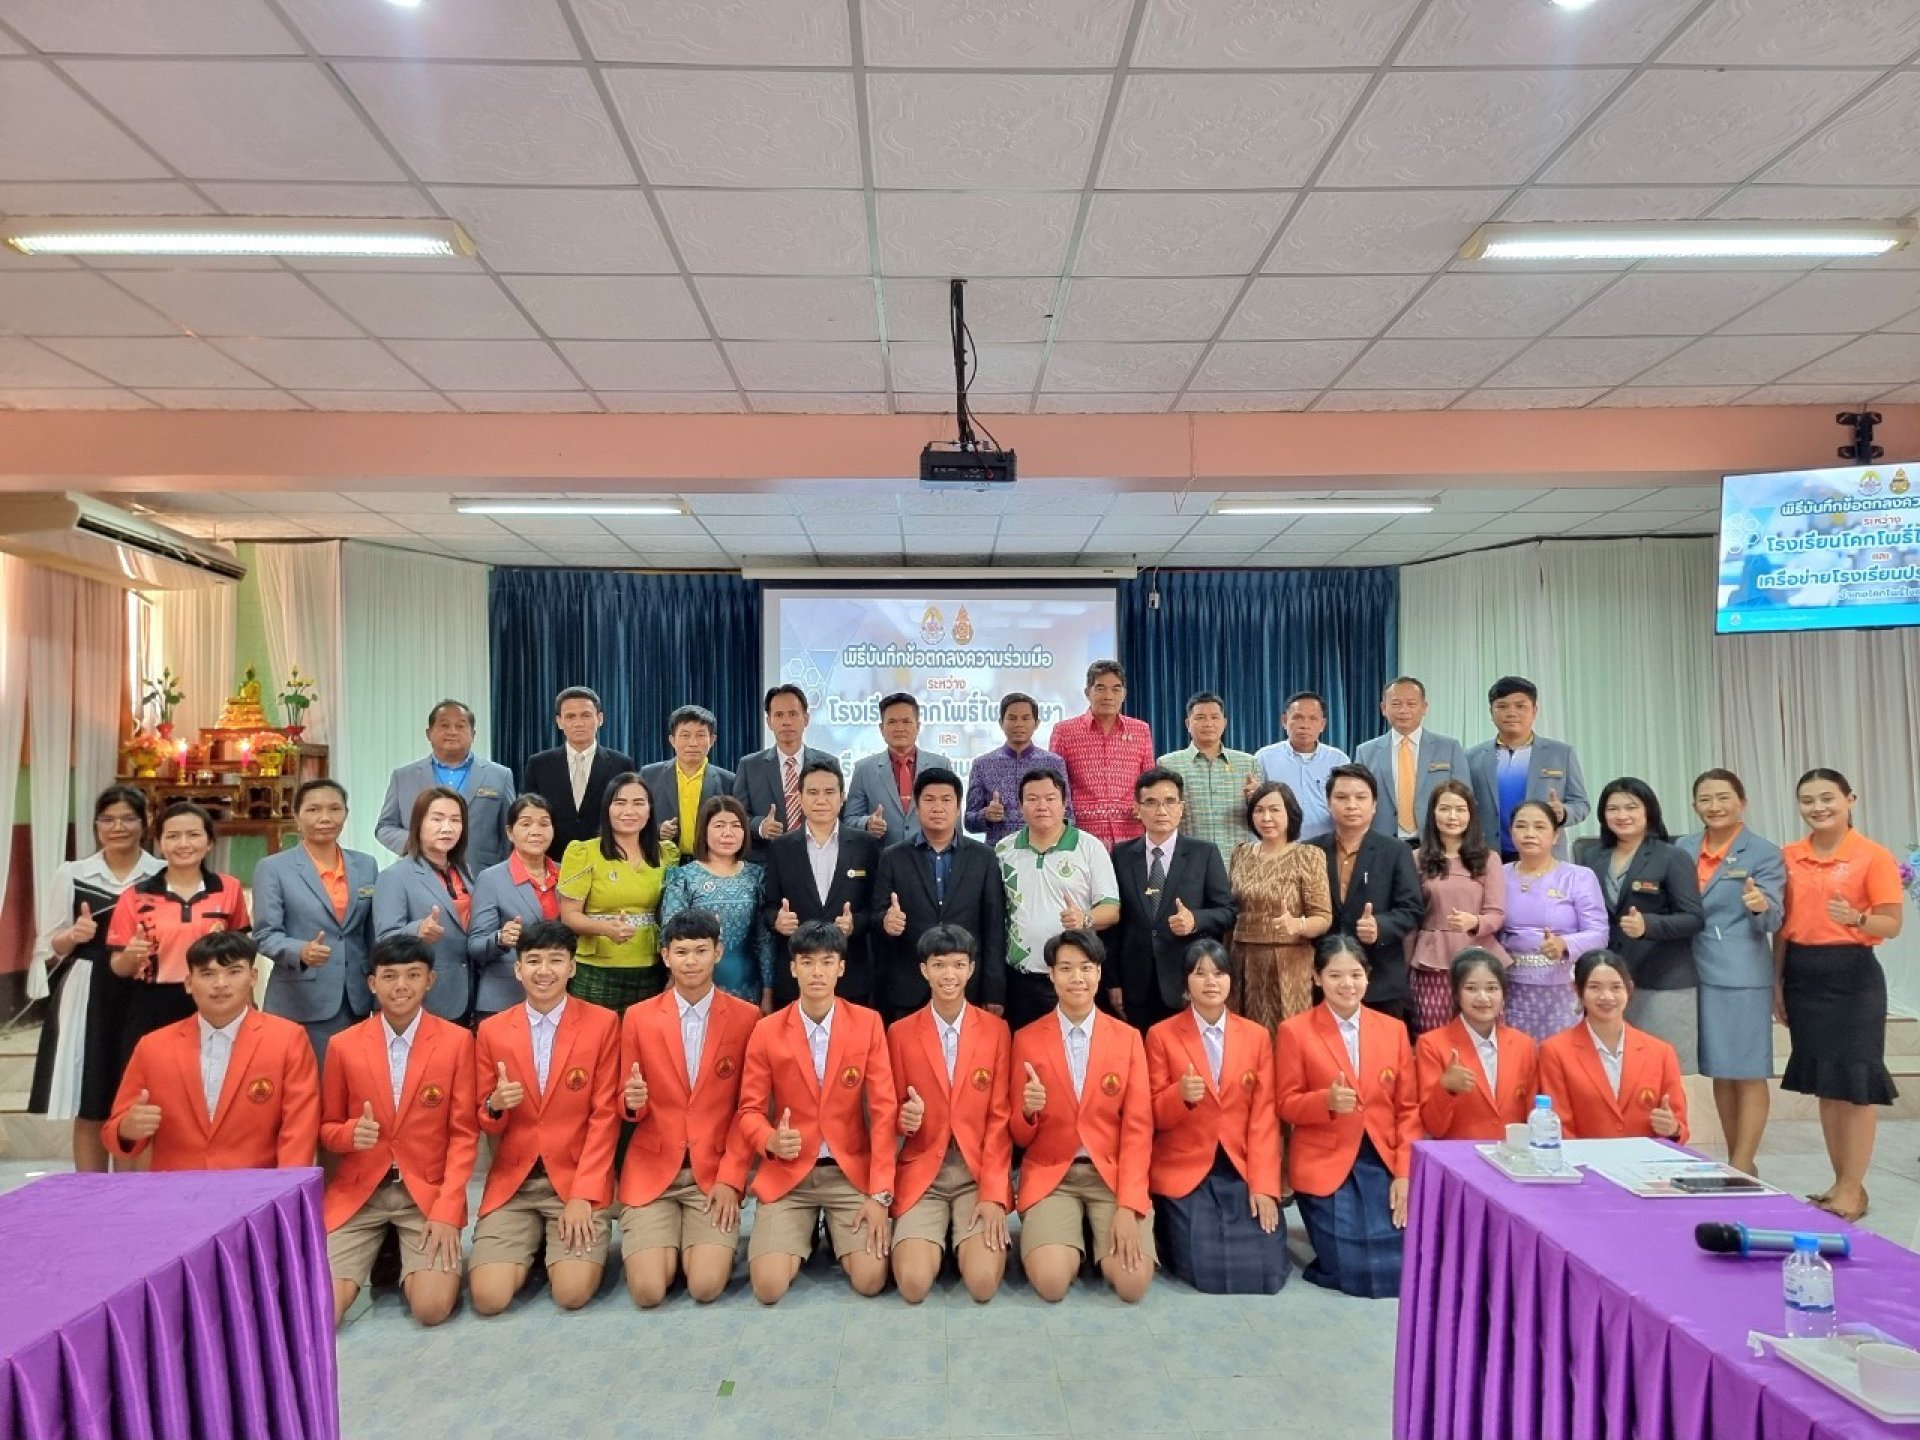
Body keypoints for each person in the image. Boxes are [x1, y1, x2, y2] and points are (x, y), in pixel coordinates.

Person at [736, 920, 898, 1305]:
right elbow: (749, 1110)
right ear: (793, 968)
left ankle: (833, 1231)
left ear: (841, 967)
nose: (817, 972)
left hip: (847, 1172)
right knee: (768, 1287)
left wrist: (880, 1195)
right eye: (807, 962)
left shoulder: (868, 1024)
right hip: (789, 1173)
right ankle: (803, 1231)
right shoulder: (767, 1030)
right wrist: (770, 1140)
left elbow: (884, 1112)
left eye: (827, 962)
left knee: (871, 1280)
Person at [322, 934, 479, 1328]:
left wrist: (447, 1209)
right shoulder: (343, 1045)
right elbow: (326, 1128)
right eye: (389, 976)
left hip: (425, 1193)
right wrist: (349, 1135)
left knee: (431, 1309)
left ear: (430, 980)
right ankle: (381, 1251)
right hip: (360, 1193)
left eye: (413, 975)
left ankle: (404, 1258)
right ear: (372, 983)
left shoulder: (457, 1041)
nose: (401, 986)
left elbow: (464, 1135)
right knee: (320, 1314)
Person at [468, 921, 621, 1316]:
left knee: (572, 1294)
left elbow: (605, 1117)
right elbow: (483, 1118)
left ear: (572, 967)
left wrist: (584, 1194)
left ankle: (558, 1244)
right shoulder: (492, 1031)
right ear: (518, 969)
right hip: (515, 1182)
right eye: (533, 961)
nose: (544, 971)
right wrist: (495, 1105)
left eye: (556, 960)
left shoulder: (603, 1023)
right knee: (488, 1299)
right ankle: (531, 1243)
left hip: (575, 1179)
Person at [1775, 767, 1904, 1223]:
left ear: (1850, 799)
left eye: (1827, 798)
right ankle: (1841, 1182)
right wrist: (1777, 983)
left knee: (1855, 1085)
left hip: (1852, 978)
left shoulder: (1873, 856)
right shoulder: (1789, 856)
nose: (1818, 808)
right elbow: (1781, 928)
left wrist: (1857, 918)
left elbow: (1892, 923)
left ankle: (1854, 1186)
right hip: (1802, 975)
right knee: (1827, 1085)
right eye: (1808, 800)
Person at [617, 908, 758, 1307]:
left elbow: (748, 1109)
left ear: (718, 952)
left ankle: (693, 1243)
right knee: (648, 1292)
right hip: (652, 1170)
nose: (691, 961)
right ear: (665, 956)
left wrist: (731, 1179)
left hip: (713, 1173)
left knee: (705, 1287)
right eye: (681, 952)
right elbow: (625, 1100)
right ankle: (664, 1242)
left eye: (700, 951)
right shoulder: (638, 1018)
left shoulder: (747, 1018)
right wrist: (631, 1103)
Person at [1009, 929, 1156, 1304]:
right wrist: (1027, 1111)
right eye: (1066, 968)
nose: (1077, 977)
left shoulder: (1127, 1038)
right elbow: (1019, 1136)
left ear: (1099, 973)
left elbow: (1138, 1130)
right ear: (1051, 975)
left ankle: (1095, 1236)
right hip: (1051, 1175)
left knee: (1132, 1285)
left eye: (1086, 968)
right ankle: (1074, 1238)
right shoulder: (1026, 1039)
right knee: (1051, 1284)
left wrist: (1129, 1205)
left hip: (1111, 1175)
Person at [27, 785, 162, 1172]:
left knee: (137, 1095)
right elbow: (50, 944)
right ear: (96, 825)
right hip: (87, 988)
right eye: (108, 819)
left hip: (145, 987)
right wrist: (73, 935)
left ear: (145, 822)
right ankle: (90, 1192)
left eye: (128, 818)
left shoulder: (160, 872)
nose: (117, 827)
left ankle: (131, 1195)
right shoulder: (73, 873)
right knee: (90, 1098)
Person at [103, 931, 319, 1171]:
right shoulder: (152, 1047)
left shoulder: (288, 1039)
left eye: (234, 972)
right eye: (207, 974)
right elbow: (113, 1132)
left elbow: (299, 1130)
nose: (220, 984)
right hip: (177, 1187)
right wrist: (126, 1130)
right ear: (188, 983)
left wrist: (283, 1188)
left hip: (256, 1187)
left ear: (253, 977)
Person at [1274, 936, 1416, 1299]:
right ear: (1317, 978)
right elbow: (1285, 1104)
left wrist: (1404, 1173)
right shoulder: (1295, 1031)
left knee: (1400, 1266)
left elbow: (1408, 1109)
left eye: (1355, 974)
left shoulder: (1394, 1030)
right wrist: (1325, 1101)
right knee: (1353, 1267)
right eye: (1335, 975)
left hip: (1380, 1157)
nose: (1347, 984)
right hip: (1325, 1159)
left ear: (1368, 976)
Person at [1146, 939, 1286, 1294]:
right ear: (1185, 982)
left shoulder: (1255, 1036)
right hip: (1186, 1164)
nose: (1211, 981)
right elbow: (1152, 1116)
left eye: (1219, 973)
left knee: (1267, 1267)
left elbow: (1264, 1118)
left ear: (1230, 980)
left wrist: (1264, 1185)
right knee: (1203, 1266)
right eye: (1200, 973)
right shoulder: (1161, 1035)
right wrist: (1179, 1097)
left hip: (1239, 1164)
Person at [886, 925, 1015, 1304]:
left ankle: (959, 1238)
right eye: (939, 964)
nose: (949, 975)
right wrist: (904, 1119)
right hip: (923, 1169)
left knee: (983, 1284)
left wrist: (994, 1192)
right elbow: (889, 1112)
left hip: (976, 1171)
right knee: (912, 1286)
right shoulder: (899, 1033)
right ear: (923, 970)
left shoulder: (996, 1031)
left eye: (959, 965)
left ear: (971, 969)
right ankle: (934, 1238)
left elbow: (1000, 1119)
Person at [1677, 769, 1785, 1177]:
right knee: (1721, 1070)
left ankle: (1742, 1162)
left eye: (1724, 797)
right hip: (1691, 968)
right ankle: (1737, 1158)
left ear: (1743, 802)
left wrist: (1760, 905)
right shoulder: (1683, 847)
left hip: (1740, 973)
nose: (1715, 806)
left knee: (1748, 1070)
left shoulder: (1763, 852)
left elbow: (1774, 917)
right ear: (1694, 806)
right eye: (1705, 799)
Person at [105, 801, 250, 1075]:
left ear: (209, 843)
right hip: (153, 1004)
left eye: (193, 835)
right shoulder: (135, 896)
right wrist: (130, 956)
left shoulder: (228, 889)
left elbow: (240, 953)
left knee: (215, 1078)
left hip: (215, 999)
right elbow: (117, 967)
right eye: (173, 836)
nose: (183, 844)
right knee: (156, 1080)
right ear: (159, 843)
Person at [1573, 778, 1705, 1074]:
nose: (1622, 815)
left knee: (1666, 1070)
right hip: (1609, 982)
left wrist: (1649, 925)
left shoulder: (1672, 856)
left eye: (1631, 807)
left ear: (1649, 811)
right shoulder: (1591, 858)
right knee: (1616, 1070)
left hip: (1663, 980)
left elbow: (1694, 918)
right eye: (1613, 808)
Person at [253, 779, 380, 1067]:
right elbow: (265, 934)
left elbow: (372, 936)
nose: (325, 818)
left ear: (346, 814)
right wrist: (301, 951)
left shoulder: (366, 865)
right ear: (297, 816)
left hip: (355, 999)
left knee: (351, 1082)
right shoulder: (273, 868)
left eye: (334, 809)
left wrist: (378, 995)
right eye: (313, 809)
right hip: (300, 998)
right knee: (303, 1084)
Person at [870, 768, 1007, 1022]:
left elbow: (994, 927)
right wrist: (885, 922)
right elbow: (875, 915)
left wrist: (994, 990)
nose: (938, 808)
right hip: (907, 985)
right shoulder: (892, 857)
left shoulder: (984, 857)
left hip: (967, 985)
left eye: (946, 800)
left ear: (958, 808)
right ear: (916, 806)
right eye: (929, 800)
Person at [1108, 767, 1236, 1031]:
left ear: (1181, 807)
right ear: (1137, 809)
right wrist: (1113, 981)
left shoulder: (1204, 853)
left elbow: (1227, 911)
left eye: (1169, 801)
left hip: (1185, 978)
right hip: (1136, 982)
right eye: (1151, 802)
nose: (1161, 810)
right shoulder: (1121, 855)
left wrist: (1195, 920)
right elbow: (1114, 926)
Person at [995, 767, 1120, 1031]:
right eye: (1032, 799)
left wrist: (1085, 919)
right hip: (1021, 978)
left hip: (1074, 979)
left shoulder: (1089, 847)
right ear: (1020, 805)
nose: (1042, 806)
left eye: (1050, 798)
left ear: (1065, 803)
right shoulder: (1004, 850)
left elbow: (1112, 910)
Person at [1308, 765, 1422, 1027]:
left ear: (1374, 805)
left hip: (1379, 978)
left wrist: (1380, 926)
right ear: (1328, 803)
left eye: (1360, 797)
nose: (1351, 805)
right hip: (1323, 979)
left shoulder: (1396, 850)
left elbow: (1412, 909)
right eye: (1341, 797)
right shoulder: (1310, 850)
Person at [757, 759, 876, 1008]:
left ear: (842, 797)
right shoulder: (781, 847)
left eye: (829, 792)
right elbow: (769, 907)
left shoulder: (865, 845)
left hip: (850, 975)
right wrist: (777, 920)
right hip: (796, 976)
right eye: (812, 792)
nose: (821, 799)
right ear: (799, 798)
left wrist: (855, 923)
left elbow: (875, 909)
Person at [1538, 950, 1689, 1143]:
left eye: (1616, 987)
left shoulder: (1661, 1052)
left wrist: (1672, 1129)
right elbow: (1560, 1127)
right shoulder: (1555, 1051)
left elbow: (1680, 1127)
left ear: (1629, 989)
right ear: (1578, 991)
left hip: (1646, 1160)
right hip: (1585, 1159)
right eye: (1595, 987)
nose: (1607, 996)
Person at [558, 773, 678, 1016]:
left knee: (643, 1039)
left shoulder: (666, 854)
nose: (629, 811)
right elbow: (569, 916)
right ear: (607, 809)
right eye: (620, 802)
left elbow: (670, 912)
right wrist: (606, 929)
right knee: (595, 1038)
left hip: (651, 968)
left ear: (650, 810)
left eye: (638, 803)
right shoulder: (583, 852)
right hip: (595, 970)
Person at [1497, 799, 1609, 1042]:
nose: (1529, 834)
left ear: (1555, 835)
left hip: (1561, 987)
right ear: (1511, 833)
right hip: (1509, 988)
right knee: (1516, 1056)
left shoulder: (1578, 876)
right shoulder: (1498, 874)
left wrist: (1564, 944)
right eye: (1521, 826)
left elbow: (1599, 933)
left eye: (1539, 826)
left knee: (1559, 1056)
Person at [1228, 781, 1333, 1033]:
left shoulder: (1308, 855)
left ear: (1290, 814)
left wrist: (1298, 924)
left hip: (1289, 962)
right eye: (1259, 810)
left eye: (1275, 810)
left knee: (1288, 1036)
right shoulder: (1240, 853)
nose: (1266, 818)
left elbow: (1323, 917)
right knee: (1243, 1036)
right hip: (1241, 958)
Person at [1406, 781, 1509, 1037]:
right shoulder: (1416, 858)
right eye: (1445, 809)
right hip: (1431, 961)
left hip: (1478, 956)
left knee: (1482, 1035)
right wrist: (1405, 965)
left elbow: (1496, 914)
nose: (1453, 816)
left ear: (1471, 814)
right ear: (1433, 813)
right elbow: (1411, 917)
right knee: (1433, 1035)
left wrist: (1474, 921)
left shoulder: (1489, 858)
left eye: (1461, 809)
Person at [371, 786, 475, 1023]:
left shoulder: (465, 871)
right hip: (426, 996)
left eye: (455, 820)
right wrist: (417, 930)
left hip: (470, 990)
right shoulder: (395, 876)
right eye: (437, 819)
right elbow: (384, 939)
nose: (447, 828)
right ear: (418, 823)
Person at [661, 795, 775, 1008]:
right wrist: (672, 977)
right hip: (693, 981)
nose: (727, 833)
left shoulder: (756, 876)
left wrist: (768, 992)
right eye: (719, 825)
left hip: (748, 984)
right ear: (704, 830)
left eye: (735, 825)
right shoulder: (683, 878)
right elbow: (670, 935)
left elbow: (764, 939)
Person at [376, 699, 516, 871]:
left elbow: (511, 830)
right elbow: (385, 827)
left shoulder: (500, 776)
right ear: (428, 733)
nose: (452, 731)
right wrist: (416, 843)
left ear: (473, 734)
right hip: (420, 872)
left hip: (481, 874)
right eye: (444, 725)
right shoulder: (404, 777)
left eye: (460, 726)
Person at [1413, 949, 1537, 1142]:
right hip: (1458, 1154)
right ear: (1456, 995)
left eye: (1491, 988)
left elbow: (1534, 1115)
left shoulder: (1524, 1045)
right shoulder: (1432, 1044)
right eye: (1471, 989)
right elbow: (1433, 1127)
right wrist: (1446, 1088)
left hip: (1513, 1153)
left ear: (1503, 995)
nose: (1483, 998)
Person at [1465, 676, 1588, 862]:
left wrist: (1563, 812)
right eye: (1502, 706)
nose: (1511, 713)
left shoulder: (1561, 753)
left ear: (1535, 710)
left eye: (1520, 706)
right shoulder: (1472, 757)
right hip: (1488, 857)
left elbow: (1581, 804)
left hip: (1546, 856)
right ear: (1491, 712)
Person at [468, 794, 564, 1023]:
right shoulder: (491, 879)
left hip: (555, 998)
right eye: (526, 823)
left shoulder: (566, 874)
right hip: (504, 997)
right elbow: (475, 946)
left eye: (544, 824)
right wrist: (501, 939)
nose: (536, 831)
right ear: (510, 832)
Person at [1047, 659, 1155, 850]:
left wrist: (1143, 804)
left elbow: (1149, 781)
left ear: (1124, 693)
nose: (1108, 696)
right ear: (1087, 692)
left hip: (1131, 834)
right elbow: (1055, 785)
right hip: (1081, 837)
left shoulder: (1140, 730)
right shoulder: (1064, 731)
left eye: (1116, 689)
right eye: (1100, 688)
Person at [519, 687, 635, 860]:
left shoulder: (621, 764)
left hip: (607, 858)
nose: (578, 723)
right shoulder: (539, 764)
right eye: (570, 717)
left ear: (600, 719)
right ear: (559, 722)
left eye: (586, 715)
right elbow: (527, 813)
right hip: (552, 859)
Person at [1354, 676, 1470, 844]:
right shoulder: (1366, 752)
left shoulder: (1449, 747)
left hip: (1436, 842)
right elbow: (1358, 800)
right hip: (1382, 844)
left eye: (1411, 704)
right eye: (1396, 704)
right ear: (1384, 708)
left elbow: (1464, 798)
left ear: (1424, 707)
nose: (1404, 710)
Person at [1157, 690, 1260, 861]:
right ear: (1188, 723)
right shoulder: (1168, 764)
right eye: (1200, 717)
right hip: (1188, 861)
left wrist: (1256, 799)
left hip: (1237, 861)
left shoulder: (1248, 763)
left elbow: (1260, 816)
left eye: (1214, 717)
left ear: (1224, 723)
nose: (1208, 723)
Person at [964, 692, 1072, 847]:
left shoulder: (1054, 763)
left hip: (1045, 852)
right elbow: (969, 822)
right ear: (1001, 722)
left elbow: (1069, 815)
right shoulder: (982, 764)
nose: (1018, 724)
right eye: (1012, 718)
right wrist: (985, 815)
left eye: (1025, 718)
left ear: (1036, 723)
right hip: (998, 853)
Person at [844, 691, 954, 845]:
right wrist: (867, 823)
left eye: (906, 721)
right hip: (882, 856)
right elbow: (849, 819)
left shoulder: (941, 765)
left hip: (930, 855)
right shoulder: (864, 769)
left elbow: (953, 818)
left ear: (918, 727)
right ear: (881, 728)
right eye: (892, 722)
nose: (899, 728)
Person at [731, 684, 837, 842]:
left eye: (793, 714)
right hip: (767, 853)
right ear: (769, 722)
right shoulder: (749, 765)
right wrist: (760, 826)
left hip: (817, 852)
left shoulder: (828, 763)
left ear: (806, 719)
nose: (786, 722)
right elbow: (737, 815)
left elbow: (837, 812)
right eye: (779, 715)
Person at [1254, 692, 1350, 843]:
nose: (1305, 725)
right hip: (1280, 844)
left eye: (1313, 718)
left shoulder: (1338, 759)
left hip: (1328, 844)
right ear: (1284, 721)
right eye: (1297, 717)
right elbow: (1256, 805)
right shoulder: (1264, 758)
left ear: (1322, 724)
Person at [639, 704, 736, 852]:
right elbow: (636, 818)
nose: (693, 743)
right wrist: (658, 830)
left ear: (712, 740)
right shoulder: (649, 775)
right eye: (685, 735)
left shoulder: (728, 781)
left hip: (709, 860)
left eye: (700, 735)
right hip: (662, 858)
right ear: (672, 740)